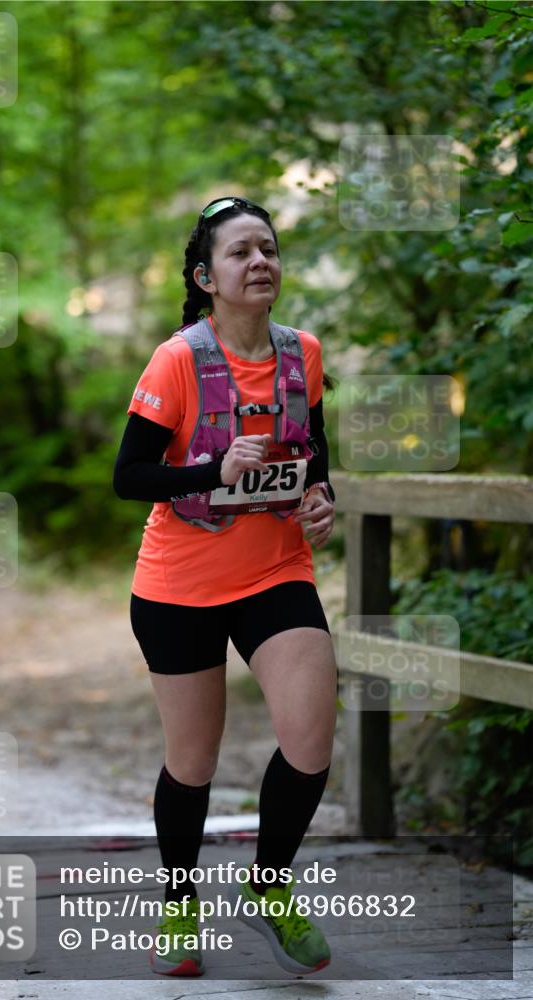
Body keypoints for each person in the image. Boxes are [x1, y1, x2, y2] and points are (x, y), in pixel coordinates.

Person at [113, 196, 337, 978]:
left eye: (268, 249)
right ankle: (178, 909)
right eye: (241, 253)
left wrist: (319, 500)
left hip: (276, 569)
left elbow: (315, 458)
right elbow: (128, 476)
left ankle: (268, 886)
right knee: (193, 762)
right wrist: (215, 469)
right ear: (207, 277)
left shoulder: (300, 352)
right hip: (179, 581)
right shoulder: (177, 359)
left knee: (309, 741)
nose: (260, 262)